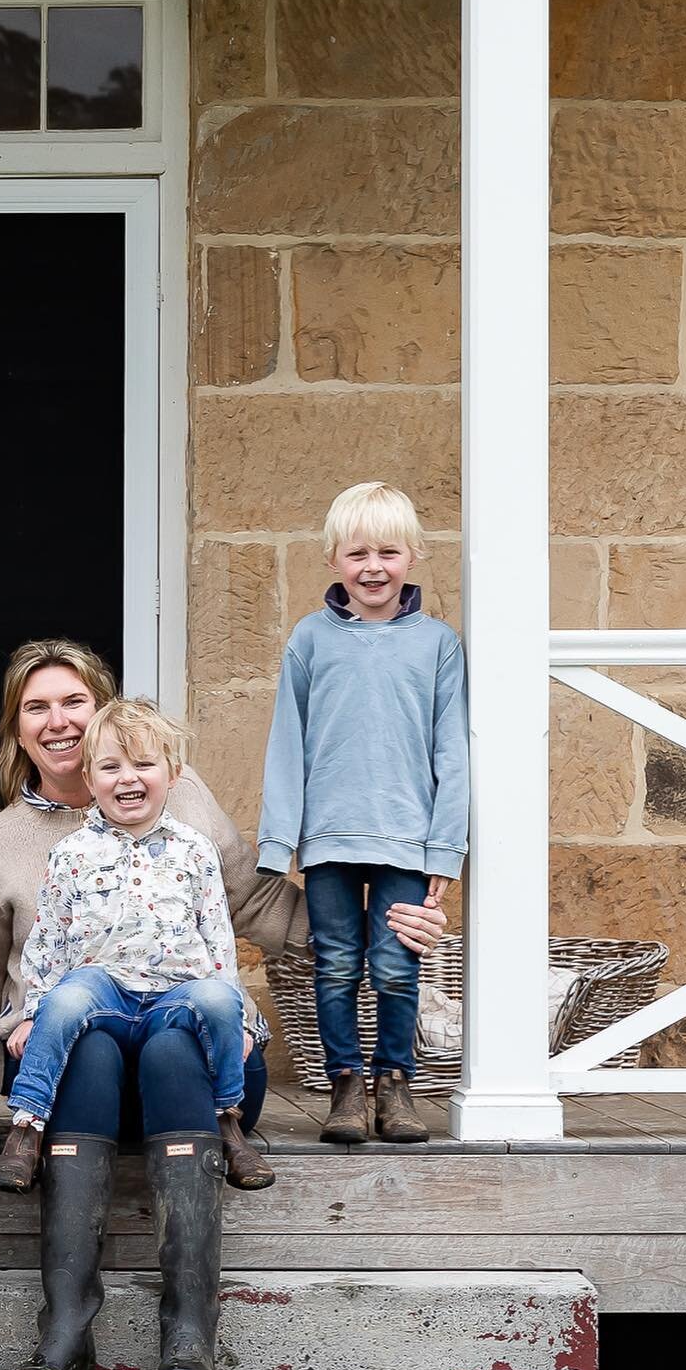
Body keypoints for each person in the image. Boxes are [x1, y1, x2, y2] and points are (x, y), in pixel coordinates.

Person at [0, 638, 448, 1370]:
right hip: (74, 1058)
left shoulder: (183, 809)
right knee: (84, 1043)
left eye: (74, 702)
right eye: (37, 708)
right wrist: (1, 1059)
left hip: (192, 1052)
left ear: (107, 715)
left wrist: (383, 928)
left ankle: (188, 1333)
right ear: (16, 731)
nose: (58, 721)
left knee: (175, 1043)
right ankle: (65, 1333)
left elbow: (251, 907)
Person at [257, 482, 469, 1148]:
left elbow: (452, 752)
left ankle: (395, 1083)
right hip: (328, 838)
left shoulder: (437, 645)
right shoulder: (311, 640)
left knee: (397, 964)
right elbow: (286, 743)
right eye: (357, 553)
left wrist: (445, 851)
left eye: (388, 552)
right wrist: (277, 842)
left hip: (408, 837)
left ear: (413, 557)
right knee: (338, 963)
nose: (373, 567)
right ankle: (347, 1084)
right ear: (332, 560)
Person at [0, 697, 255, 1187]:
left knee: (219, 998)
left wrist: (238, 1022)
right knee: (67, 996)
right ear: (90, 780)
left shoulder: (196, 851)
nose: (127, 778)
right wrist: (32, 1013)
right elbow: (47, 942)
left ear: (172, 774)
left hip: (174, 997)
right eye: (110, 766)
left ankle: (227, 1121)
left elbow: (218, 938)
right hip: (104, 994)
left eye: (144, 764)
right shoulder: (70, 854)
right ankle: (26, 1131)